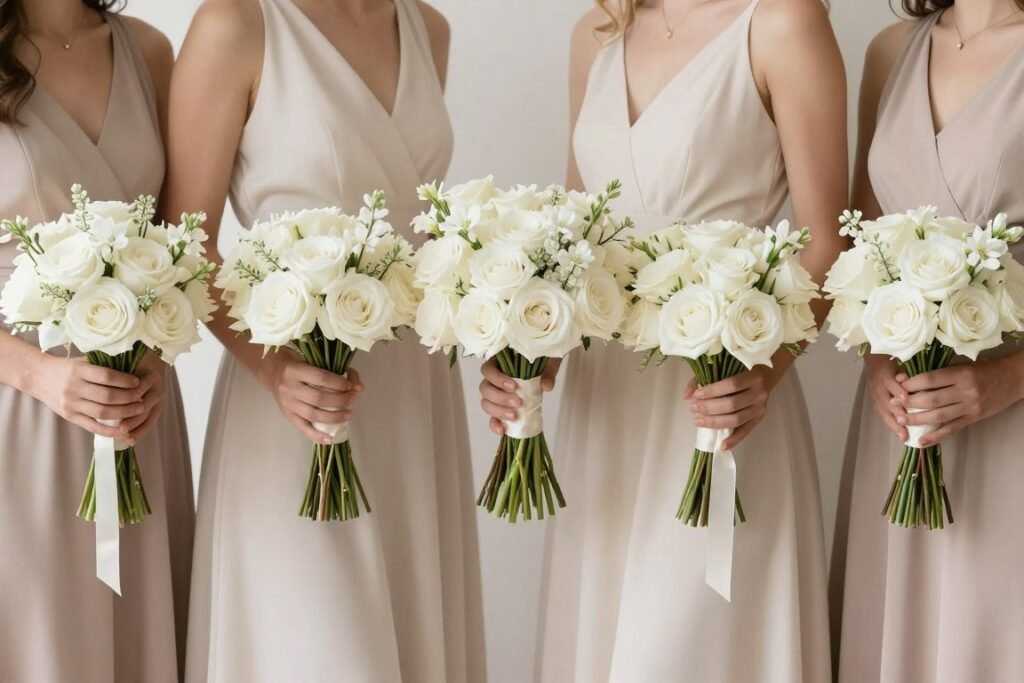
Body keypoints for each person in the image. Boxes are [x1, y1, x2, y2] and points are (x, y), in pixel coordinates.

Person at [163, 1, 485, 680]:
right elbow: (184, 247)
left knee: (409, 634)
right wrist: (275, 370)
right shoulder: (237, 23)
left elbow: (419, 229)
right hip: (293, 394)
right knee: (312, 644)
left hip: (413, 389)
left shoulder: (430, 30)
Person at [830, 1, 1024, 680]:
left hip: (1010, 423)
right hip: (896, 417)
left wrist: (1004, 381)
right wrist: (876, 353)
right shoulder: (890, 51)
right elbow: (861, 235)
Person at [0, 1, 194, 680]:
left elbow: (181, 248)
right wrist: (37, 375)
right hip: (21, 420)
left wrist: (159, 361)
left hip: (138, 415)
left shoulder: (150, 52)